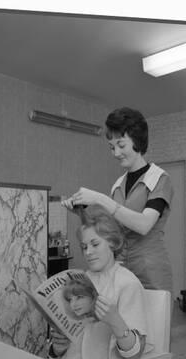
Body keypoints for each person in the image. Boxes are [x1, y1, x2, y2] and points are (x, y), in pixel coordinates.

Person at [43, 206, 151, 359]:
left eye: (95, 244)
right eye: (84, 247)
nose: (88, 252)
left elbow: (135, 354)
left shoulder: (127, 283)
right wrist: (59, 344)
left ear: (112, 242)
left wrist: (115, 320)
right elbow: (72, 337)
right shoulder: (81, 279)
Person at [62, 107, 174, 292]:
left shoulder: (160, 179)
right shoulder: (118, 184)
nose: (116, 153)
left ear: (137, 141)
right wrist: (81, 211)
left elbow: (144, 225)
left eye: (121, 145)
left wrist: (100, 198)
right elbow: (111, 227)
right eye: (112, 147)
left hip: (150, 270)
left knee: (149, 320)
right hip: (120, 268)